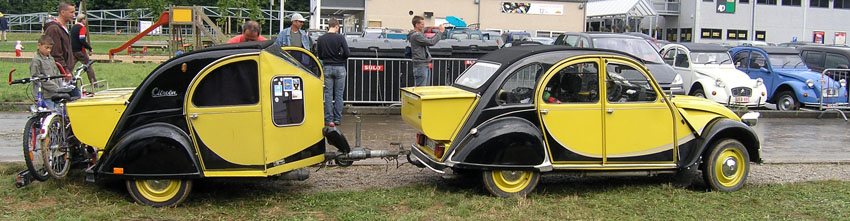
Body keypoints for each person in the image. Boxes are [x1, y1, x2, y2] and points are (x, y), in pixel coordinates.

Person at [316, 18, 350, 126]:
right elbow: (347, 53)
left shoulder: (321, 39)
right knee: (339, 95)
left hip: (327, 67)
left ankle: (328, 119)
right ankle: (337, 118)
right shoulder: (340, 38)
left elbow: (320, 54)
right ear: (336, 26)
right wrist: (340, 57)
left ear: (328, 26)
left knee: (328, 95)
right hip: (340, 67)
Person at [30, 35, 76, 109]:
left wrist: (61, 86)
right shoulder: (37, 60)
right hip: (45, 95)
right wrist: (55, 87)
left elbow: (56, 74)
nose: (48, 50)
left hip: (55, 94)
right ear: (39, 46)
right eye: (46, 48)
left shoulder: (51, 59)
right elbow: (37, 78)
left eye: (50, 48)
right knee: (49, 114)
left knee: (58, 114)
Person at [407, 16, 444, 86]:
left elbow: (429, 38)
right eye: (422, 24)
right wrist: (440, 32)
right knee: (421, 90)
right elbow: (431, 42)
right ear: (416, 25)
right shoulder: (416, 36)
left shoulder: (419, 34)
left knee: (425, 89)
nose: (423, 26)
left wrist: (434, 28)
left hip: (423, 65)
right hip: (420, 66)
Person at [43, 2, 75, 75]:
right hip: (58, 74)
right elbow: (55, 53)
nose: (74, 15)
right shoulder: (54, 29)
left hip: (65, 72)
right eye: (71, 12)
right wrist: (65, 71)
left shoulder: (63, 28)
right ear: (63, 12)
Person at [70, 14, 98, 87]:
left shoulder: (73, 27)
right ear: (82, 20)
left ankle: (66, 80)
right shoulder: (82, 28)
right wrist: (89, 48)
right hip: (80, 50)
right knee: (88, 66)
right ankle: (94, 84)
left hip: (73, 50)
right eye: (85, 19)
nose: (86, 21)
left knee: (70, 67)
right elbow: (82, 39)